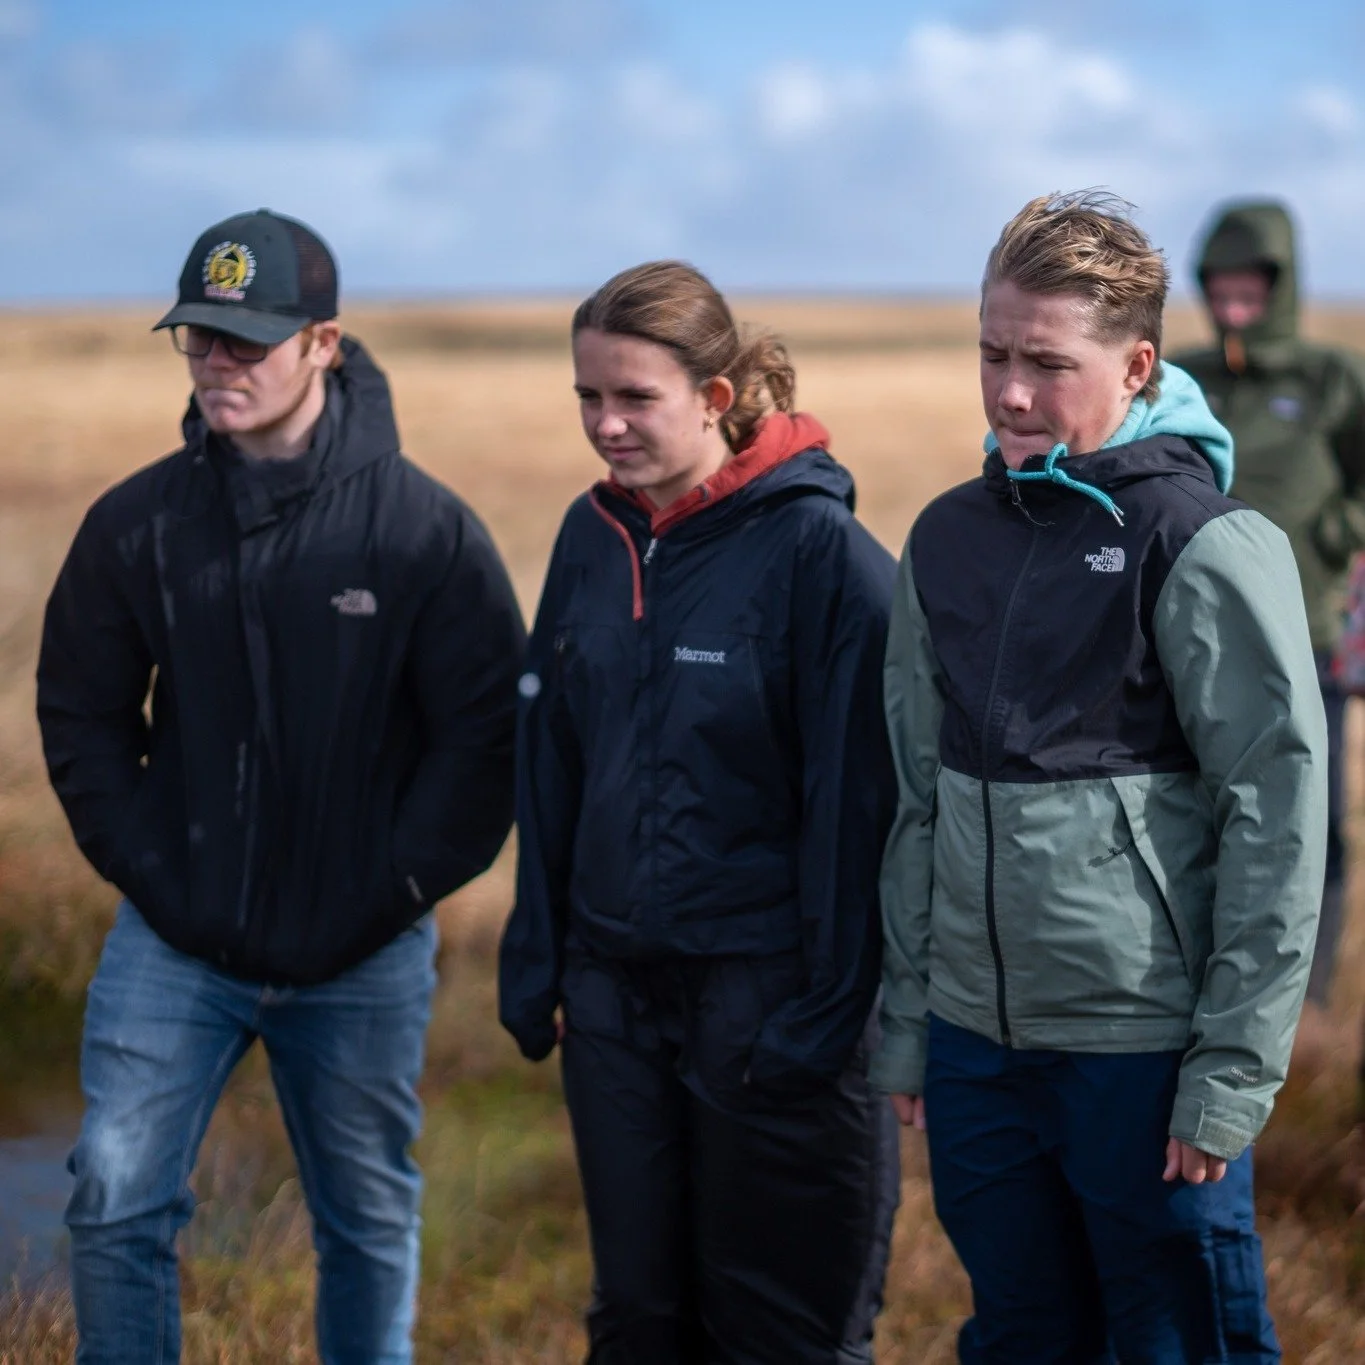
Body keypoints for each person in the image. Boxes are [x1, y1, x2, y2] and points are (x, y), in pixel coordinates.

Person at [37, 209, 526, 1365]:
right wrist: (155, 872)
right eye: (200, 337)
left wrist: (386, 889)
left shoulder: (424, 534)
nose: (219, 362)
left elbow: (484, 741)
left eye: (249, 341)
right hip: (177, 943)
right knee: (113, 1195)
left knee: (366, 1219)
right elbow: (81, 715)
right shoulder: (137, 525)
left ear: (326, 344)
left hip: (362, 953)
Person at [872, 192, 1327, 1362]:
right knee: (1022, 1337)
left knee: (1177, 1345)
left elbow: (1277, 826)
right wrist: (917, 1023)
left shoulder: (1205, 543)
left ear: (1135, 365)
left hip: (1143, 1053)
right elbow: (921, 801)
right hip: (979, 1051)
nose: (1011, 393)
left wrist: (1228, 1076)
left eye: (1046, 363)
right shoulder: (946, 539)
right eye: (991, 354)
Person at [499, 261, 901, 1364]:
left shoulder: (825, 558)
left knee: (779, 1334)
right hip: (616, 1007)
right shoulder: (592, 539)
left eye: (635, 398)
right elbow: (552, 762)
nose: (606, 425)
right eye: (588, 397)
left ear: (716, 399)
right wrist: (543, 959)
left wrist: (825, 1017)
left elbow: (863, 809)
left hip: (773, 1011)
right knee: (637, 1323)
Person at [1171, 200, 1365, 1007]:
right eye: (1220, 279)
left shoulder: (1331, 378)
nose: (1234, 294)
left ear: (1281, 285)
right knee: (1201, 816)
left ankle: (1304, 1003)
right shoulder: (1183, 376)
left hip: (1304, 636)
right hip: (1193, 642)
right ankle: (1207, 986)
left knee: (1304, 823)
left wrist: (1333, 530)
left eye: (1252, 278)